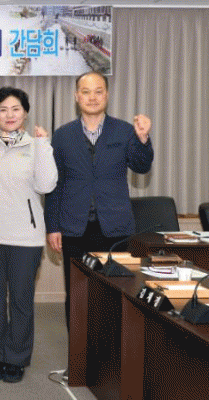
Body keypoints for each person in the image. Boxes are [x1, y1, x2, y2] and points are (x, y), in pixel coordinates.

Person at [44, 71, 153, 328]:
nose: (92, 97)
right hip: (74, 229)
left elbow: (141, 166)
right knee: (77, 296)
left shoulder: (125, 130)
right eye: (86, 92)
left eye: (98, 91)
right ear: (76, 96)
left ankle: (111, 354)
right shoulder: (62, 135)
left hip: (115, 229)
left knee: (114, 295)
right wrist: (53, 226)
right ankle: (78, 354)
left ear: (107, 94)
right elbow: (54, 185)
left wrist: (143, 139)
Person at [0, 87, 57, 383]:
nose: (9, 115)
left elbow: (46, 185)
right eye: (3, 109)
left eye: (16, 109)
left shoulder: (36, 145)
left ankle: (16, 359)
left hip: (25, 239)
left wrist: (43, 146)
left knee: (21, 301)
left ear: (25, 113)